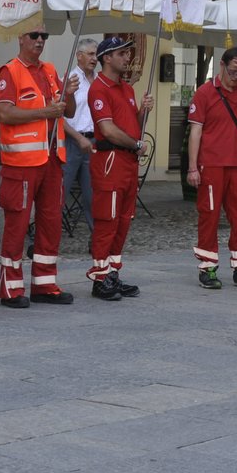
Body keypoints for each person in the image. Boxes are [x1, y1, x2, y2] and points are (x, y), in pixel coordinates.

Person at [0, 27, 77, 308]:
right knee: (17, 224)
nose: (40, 40)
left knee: (51, 223)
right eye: (34, 35)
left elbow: (69, 111)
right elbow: (4, 113)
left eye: (45, 36)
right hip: (21, 162)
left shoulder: (51, 69)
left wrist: (70, 94)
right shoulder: (9, 71)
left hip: (53, 159)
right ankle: (11, 288)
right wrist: (44, 112)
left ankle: (44, 283)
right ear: (20, 38)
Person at [187, 46, 237, 289]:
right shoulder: (205, 93)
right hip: (211, 164)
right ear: (221, 65)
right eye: (234, 71)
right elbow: (195, 131)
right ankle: (208, 268)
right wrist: (193, 167)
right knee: (209, 216)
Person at [86, 35, 153, 301]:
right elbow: (108, 130)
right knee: (107, 220)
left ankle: (112, 273)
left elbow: (131, 125)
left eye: (127, 53)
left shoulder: (126, 89)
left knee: (124, 221)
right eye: (122, 53)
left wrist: (143, 112)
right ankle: (99, 277)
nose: (127, 57)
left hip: (127, 163)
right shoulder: (99, 88)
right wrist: (136, 144)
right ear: (107, 58)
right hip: (110, 162)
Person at [63, 37, 99, 232]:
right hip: (71, 140)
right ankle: (45, 239)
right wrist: (78, 138)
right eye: (91, 54)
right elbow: (59, 116)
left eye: (96, 54)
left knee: (92, 195)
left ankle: (97, 242)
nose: (95, 58)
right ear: (79, 56)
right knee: (60, 192)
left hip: (94, 142)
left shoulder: (100, 80)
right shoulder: (69, 80)